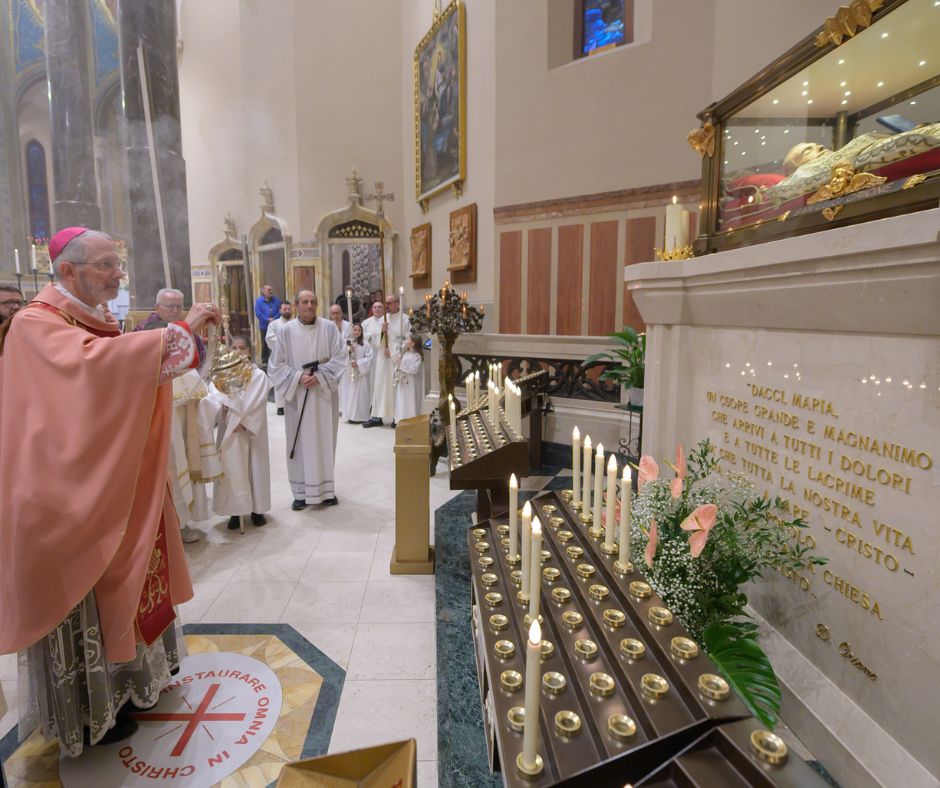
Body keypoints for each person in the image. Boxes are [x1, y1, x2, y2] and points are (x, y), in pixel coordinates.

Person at [0, 226, 220, 756]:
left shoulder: (89, 320)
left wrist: (175, 344)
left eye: (116, 264)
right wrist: (178, 331)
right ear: (68, 270)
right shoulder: (36, 324)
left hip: (110, 485)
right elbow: (97, 375)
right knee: (85, 599)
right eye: (105, 265)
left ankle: (128, 686)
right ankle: (87, 711)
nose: (118, 274)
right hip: (64, 499)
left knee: (129, 580)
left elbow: (123, 381)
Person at [136, 290, 220, 545]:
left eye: (179, 306)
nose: (174, 311)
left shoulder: (183, 329)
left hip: (183, 408)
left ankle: (183, 521)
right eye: (170, 306)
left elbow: (201, 360)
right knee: (170, 466)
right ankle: (171, 526)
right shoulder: (145, 331)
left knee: (184, 458)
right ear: (157, 305)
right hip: (157, 411)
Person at [268, 290, 346, 510]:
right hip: (298, 396)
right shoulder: (285, 331)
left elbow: (341, 357)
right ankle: (301, 493)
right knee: (299, 443)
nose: (309, 305)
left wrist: (320, 376)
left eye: (313, 301)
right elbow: (275, 365)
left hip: (323, 397)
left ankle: (326, 491)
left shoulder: (329, 328)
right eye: (305, 302)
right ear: (296, 305)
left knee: (325, 439)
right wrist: (297, 377)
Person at [209, 337, 271, 530]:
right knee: (231, 470)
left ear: (249, 352)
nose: (237, 351)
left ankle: (257, 510)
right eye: (234, 348)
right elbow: (216, 398)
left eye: (242, 348)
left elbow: (256, 402)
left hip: (249, 429)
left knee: (254, 468)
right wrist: (226, 415)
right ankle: (235, 512)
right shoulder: (222, 376)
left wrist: (241, 423)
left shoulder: (258, 375)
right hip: (230, 429)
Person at [362, 292, 410, 428]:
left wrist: (394, 350)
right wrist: (382, 331)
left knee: (394, 387)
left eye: (390, 303)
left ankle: (396, 417)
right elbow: (377, 338)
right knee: (380, 386)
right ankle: (376, 417)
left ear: (397, 303)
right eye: (386, 303)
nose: (387, 305)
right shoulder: (384, 318)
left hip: (396, 358)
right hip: (383, 356)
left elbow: (408, 339)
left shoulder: (404, 319)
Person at [340, 322, 374, 423]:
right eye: (355, 330)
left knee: (360, 395)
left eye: (359, 330)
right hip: (350, 373)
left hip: (361, 374)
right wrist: (349, 351)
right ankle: (350, 416)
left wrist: (358, 363)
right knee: (350, 394)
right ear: (352, 331)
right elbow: (341, 355)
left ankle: (360, 417)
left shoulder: (366, 344)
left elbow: (370, 358)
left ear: (362, 332)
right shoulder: (347, 343)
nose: (356, 332)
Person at [265, 301, 293, 415]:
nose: (287, 311)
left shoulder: (296, 323)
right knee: (280, 380)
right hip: (279, 356)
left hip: (293, 356)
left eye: (289, 309)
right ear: (280, 310)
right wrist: (284, 342)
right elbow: (269, 338)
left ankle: (292, 403)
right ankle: (280, 406)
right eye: (285, 309)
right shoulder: (274, 324)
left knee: (292, 379)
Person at [394, 334, 424, 424]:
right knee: (402, 401)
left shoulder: (417, 356)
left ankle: (411, 421)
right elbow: (399, 366)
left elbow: (414, 369)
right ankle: (401, 420)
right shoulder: (406, 354)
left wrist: (401, 364)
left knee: (411, 402)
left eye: (408, 340)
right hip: (403, 382)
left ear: (413, 343)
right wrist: (397, 366)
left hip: (412, 384)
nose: (406, 341)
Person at [254, 284, 282, 366]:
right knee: (264, 343)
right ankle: (265, 361)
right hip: (264, 326)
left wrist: (274, 319)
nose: (271, 291)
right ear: (263, 291)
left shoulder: (277, 300)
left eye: (271, 290)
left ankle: (276, 360)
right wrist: (267, 319)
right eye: (269, 290)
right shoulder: (259, 301)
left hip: (276, 325)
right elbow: (258, 313)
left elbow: (280, 311)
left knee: (276, 342)